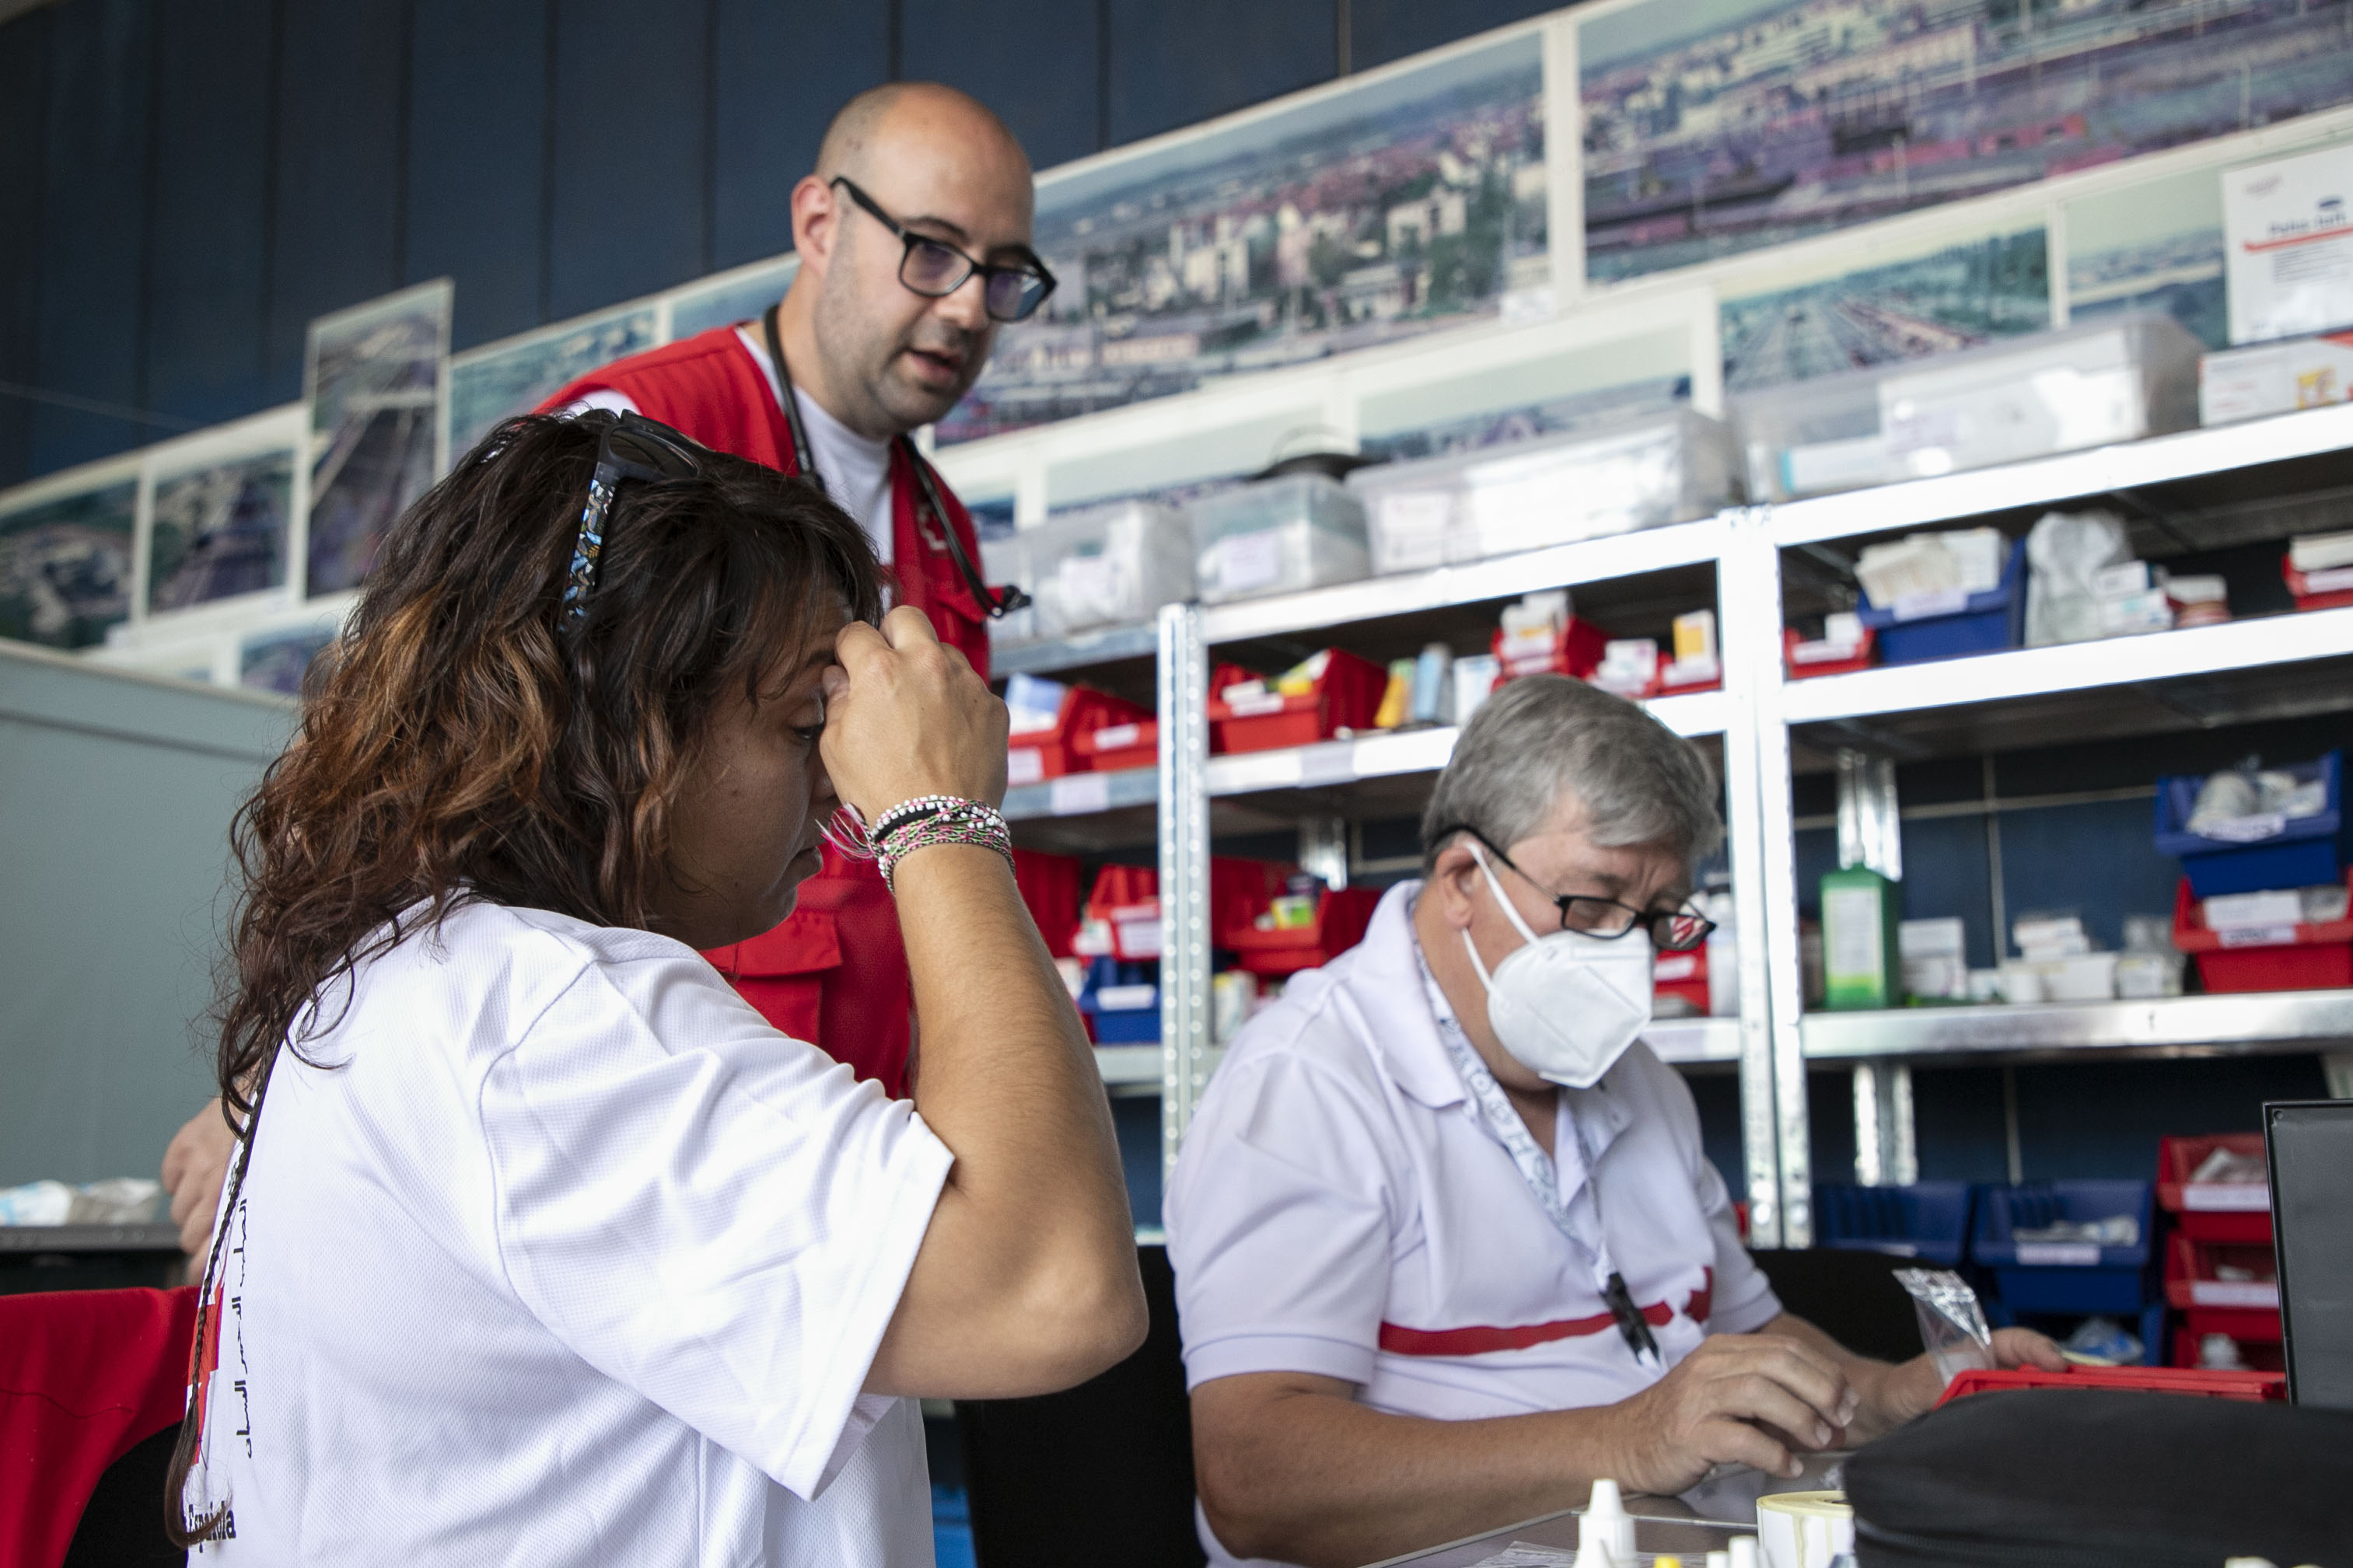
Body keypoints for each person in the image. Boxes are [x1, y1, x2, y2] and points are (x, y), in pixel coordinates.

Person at [168, 411, 1144, 1563]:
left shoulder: (401, 978)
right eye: (799, 727)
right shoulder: (538, 1016)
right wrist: (939, 818)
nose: (833, 787)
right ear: (628, 722)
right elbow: (1050, 1286)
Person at [160, 79, 1052, 1262]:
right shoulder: (635, 445)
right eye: (932, 254)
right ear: (819, 223)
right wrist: (302, 1062)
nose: (964, 310)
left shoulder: (942, 525)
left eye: (1002, 277)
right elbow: (444, 740)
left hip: (866, 1105)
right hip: (650, 1099)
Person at [1164, 676, 2064, 1568]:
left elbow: (1744, 1334)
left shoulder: (1633, 1081)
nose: (1623, 955)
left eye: (1656, 917)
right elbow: (1254, 1481)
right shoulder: (1307, 1085)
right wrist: (1629, 1439)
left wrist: (1889, 1395)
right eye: (1589, 903)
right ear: (1460, 880)